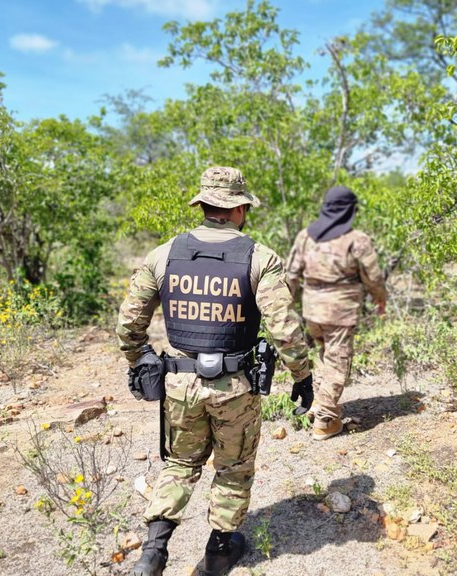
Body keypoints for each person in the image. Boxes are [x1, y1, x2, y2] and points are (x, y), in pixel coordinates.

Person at [116, 166, 314, 576]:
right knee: (233, 468)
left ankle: (153, 552)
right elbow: (285, 329)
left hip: (179, 383)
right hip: (235, 388)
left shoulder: (164, 253)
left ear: (204, 205)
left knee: (179, 465)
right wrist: (302, 376)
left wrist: (139, 359)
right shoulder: (260, 257)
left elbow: (128, 322)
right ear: (240, 209)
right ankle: (220, 552)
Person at [286, 185, 386, 441]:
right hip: (340, 310)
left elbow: (291, 275)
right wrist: (380, 299)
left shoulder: (305, 236)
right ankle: (325, 419)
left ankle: (318, 402)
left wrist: (285, 306)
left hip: (312, 310)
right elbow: (373, 277)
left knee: (324, 355)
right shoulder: (356, 239)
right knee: (338, 360)